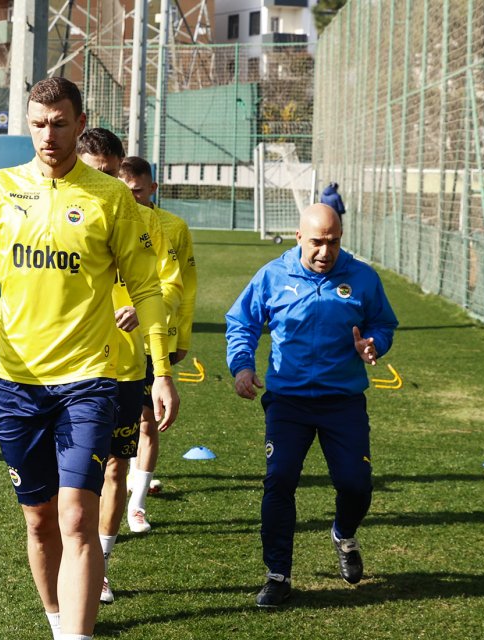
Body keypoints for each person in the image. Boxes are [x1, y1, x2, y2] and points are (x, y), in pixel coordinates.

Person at [0, 78, 179, 640]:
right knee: (40, 525)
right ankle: (60, 624)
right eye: (38, 123)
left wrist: (160, 371)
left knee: (77, 518)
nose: (48, 134)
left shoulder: (110, 198)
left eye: (60, 122)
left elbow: (147, 287)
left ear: (80, 122)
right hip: (14, 382)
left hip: (89, 379)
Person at [225, 203, 397, 608]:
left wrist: (373, 344)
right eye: (317, 242)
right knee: (280, 480)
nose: (325, 251)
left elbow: (383, 323)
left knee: (356, 485)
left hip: (343, 401)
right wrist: (242, 366)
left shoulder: (362, 278)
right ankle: (277, 575)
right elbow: (242, 323)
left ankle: (343, 533)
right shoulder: (272, 275)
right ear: (299, 237)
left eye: (333, 242)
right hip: (288, 401)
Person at [70, 134, 182, 606]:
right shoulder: (52, 210)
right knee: (70, 481)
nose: (107, 181)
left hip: (126, 365)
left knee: (116, 466)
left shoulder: (147, 224)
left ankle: (100, 567)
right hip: (69, 364)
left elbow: (169, 288)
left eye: (111, 172)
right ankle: (70, 556)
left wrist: (161, 364)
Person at [117, 156, 198, 536]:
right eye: (124, 190)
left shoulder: (171, 228)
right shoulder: (108, 219)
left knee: (147, 424)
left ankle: (136, 505)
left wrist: (180, 335)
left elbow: (183, 286)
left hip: (153, 342)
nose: (131, 198)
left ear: (152, 188)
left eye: (137, 190)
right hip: (107, 345)